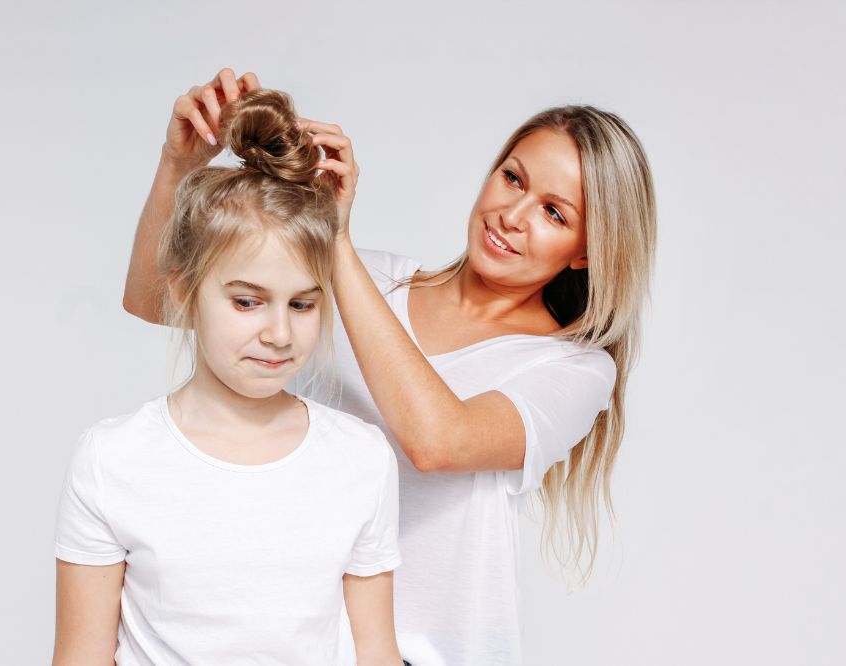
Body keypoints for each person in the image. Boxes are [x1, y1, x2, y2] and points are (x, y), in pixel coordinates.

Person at [124, 68, 656, 666]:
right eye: (512, 178)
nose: (512, 214)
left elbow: (438, 441)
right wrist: (179, 165)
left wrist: (337, 242)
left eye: (554, 213)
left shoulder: (572, 370)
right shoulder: (373, 281)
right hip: (294, 642)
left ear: (587, 249)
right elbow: (157, 300)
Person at [55, 88, 404, 665]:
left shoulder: (361, 459)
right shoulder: (112, 459)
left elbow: (377, 652)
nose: (279, 334)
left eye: (302, 305)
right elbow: (82, 656)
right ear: (185, 293)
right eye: (247, 302)